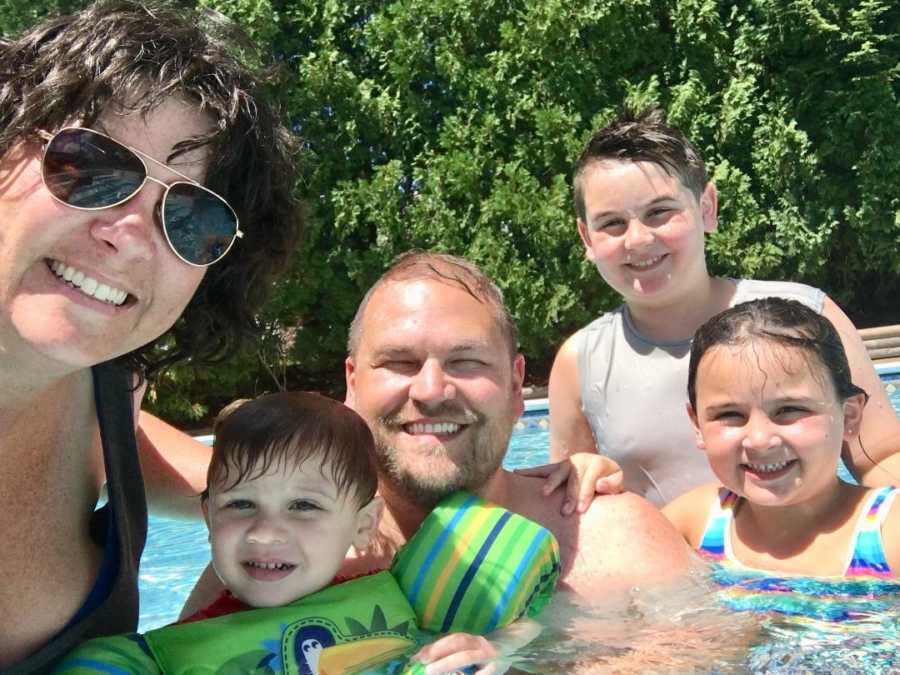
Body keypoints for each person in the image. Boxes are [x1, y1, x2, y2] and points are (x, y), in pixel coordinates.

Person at [182, 251, 697, 670]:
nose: (431, 391)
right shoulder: (273, 556)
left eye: (466, 361)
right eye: (399, 363)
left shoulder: (617, 539)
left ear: (517, 385)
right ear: (352, 383)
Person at [0, 0, 301, 670]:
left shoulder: (110, 384)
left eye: (191, 216)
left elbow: (126, 441)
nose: (130, 236)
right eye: (91, 165)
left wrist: (280, 499)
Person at [57, 392, 560, 673]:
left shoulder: (405, 599)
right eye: (240, 504)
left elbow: (527, 634)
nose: (265, 531)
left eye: (303, 506)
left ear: (363, 525)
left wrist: (495, 651)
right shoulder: (170, 655)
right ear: (208, 518)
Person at [548, 108, 900, 507]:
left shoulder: (805, 316)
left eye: (660, 212)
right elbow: (571, 503)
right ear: (587, 238)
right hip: (672, 563)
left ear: (707, 208)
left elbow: (881, 456)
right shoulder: (580, 362)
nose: (639, 239)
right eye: (611, 223)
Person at [662, 297, 900, 578]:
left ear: (849, 416)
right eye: (730, 414)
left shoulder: (889, 532)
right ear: (698, 425)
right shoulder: (693, 525)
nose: (760, 439)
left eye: (789, 409)